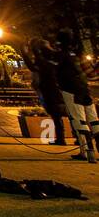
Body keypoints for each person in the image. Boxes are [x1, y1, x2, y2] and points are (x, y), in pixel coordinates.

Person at [53, 29, 98, 162]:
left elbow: (55, 72)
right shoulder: (79, 54)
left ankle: (87, 152)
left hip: (70, 90)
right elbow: (91, 73)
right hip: (85, 89)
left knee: (78, 120)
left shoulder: (60, 55)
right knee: (94, 121)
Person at [24, 38, 69, 146]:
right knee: (62, 115)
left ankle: (62, 139)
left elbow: (33, 67)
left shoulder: (43, 61)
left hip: (50, 90)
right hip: (58, 89)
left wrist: (25, 53)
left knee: (57, 114)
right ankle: (71, 138)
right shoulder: (55, 58)